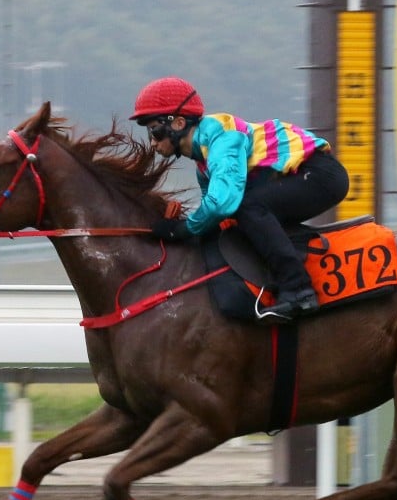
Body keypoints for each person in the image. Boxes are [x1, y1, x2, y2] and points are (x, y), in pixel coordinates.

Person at [130, 76, 350, 321]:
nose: (152, 143)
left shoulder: (222, 139)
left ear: (179, 122)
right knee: (239, 216)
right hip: (301, 177)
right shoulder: (203, 164)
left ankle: (299, 289)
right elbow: (215, 217)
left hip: (321, 175)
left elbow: (222, 203)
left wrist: (181, 229)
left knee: (248, 207)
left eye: (155, 131)